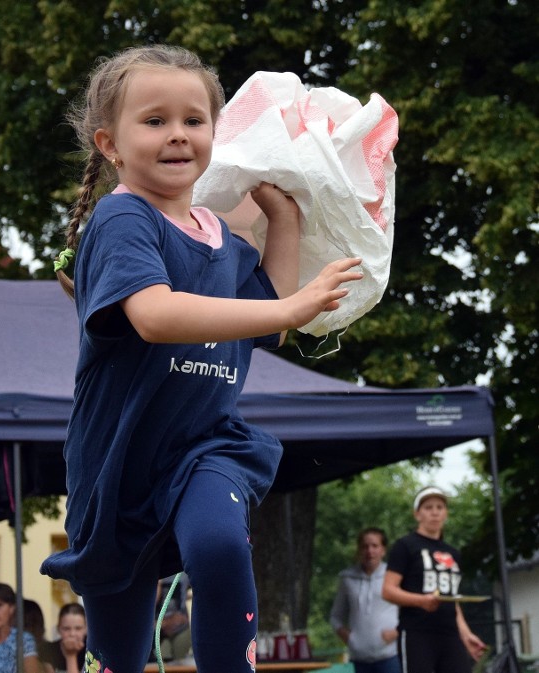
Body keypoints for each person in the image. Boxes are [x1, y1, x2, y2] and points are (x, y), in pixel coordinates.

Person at [39, 44, 363, 673]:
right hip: (118, 464)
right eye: (155, 120)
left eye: (195, 120)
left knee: (218, 547)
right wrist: (291, 309)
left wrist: (283, 215)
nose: (178, 135)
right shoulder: (122, 218)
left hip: (207, 447)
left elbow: (263, 322)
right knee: (119, 657)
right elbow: (156, 316)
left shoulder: (224, 238)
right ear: (109, 144)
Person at [382, 486, 487, 672]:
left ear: (446, 513)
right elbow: (388, 590)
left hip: (449, 633)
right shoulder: (405, 546)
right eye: (428, 507)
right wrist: (421, 601)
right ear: (417, 514)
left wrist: (466, 634)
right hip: (417, 632)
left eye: (439, 507)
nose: (435, 512)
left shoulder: (453, 553)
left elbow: (453, 600)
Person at [329, 528, 399, 673]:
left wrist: (397, 632)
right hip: (358, 659)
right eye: (365, 546)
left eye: (374, 546)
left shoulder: (394, 577)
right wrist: (349, 638)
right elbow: (335, 616)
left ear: (383, 550)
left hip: (390, 657)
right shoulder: (347, 578)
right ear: (359, 550)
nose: (369, 551)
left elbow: (413, 613)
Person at [151, 574, 192, 663]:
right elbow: (148, 606)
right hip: (157, 628)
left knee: (181, 663)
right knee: (157, 661)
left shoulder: (183, 573)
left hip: (180, 627)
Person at [38, 603, 87, 673]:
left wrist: (71, 655)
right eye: (66, 629)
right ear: (58, 629)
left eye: (78, 628)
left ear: (86, 629)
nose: (72, 634)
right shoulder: (48, 651)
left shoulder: (91, 651)